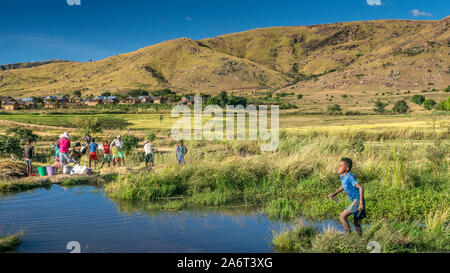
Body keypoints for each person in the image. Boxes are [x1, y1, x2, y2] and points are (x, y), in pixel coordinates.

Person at [328, 158, 366, 236]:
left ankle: (348, 236)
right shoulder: (342, 176)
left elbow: (361, 188)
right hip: (355, 201)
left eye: (341, 166)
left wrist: (361, 203)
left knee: (342, 216)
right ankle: (361, 240)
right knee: (357, 223)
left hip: (358, 200)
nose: (338, 167)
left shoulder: (350, 176)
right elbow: (343, 186)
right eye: (339, 165)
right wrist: (335, 193)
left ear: (347, 168)